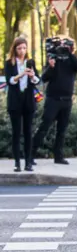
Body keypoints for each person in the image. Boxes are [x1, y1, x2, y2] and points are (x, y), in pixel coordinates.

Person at [32, 36, 77, 165]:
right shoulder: (53, 60)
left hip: (66, 100)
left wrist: (69, 53)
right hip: (53, 99)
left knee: (62, 129)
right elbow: (44, 78)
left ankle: (58, 156)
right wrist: (51, 66)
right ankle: (30, 153)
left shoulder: (71, 62)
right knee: (44, 126)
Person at [5, 37, 40, 172]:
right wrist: (20, 74)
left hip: (28, 100)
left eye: (24, 48)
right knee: (16, 132)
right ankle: (17, 162)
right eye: (19, 48)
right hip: (15, 101)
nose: (22, 51)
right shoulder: (10, 63)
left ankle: (28, 162)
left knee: (28, 132)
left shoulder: (30, 62)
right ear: (15, 49)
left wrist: (31, 75)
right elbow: (10, 81)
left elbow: (37, 80)